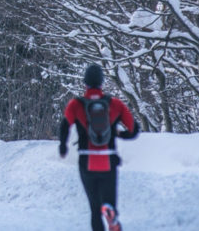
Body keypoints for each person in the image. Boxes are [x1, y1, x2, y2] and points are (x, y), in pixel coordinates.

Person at [59, 64, 139, 231]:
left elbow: (65, 126)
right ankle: (109, 212)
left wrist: (63, 146)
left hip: (86, 159)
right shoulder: (115, 104)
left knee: (94, 210)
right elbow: (133, 129)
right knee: (108, 201)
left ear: (85, 83)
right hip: (108, 159)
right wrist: (120, 134)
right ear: (102, 82)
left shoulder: (76, 104)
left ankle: (102, 213)